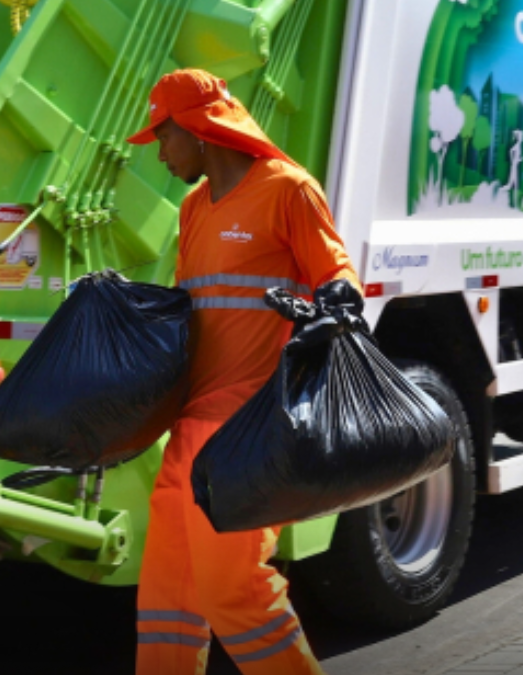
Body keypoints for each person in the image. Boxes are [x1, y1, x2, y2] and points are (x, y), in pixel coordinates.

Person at [125, 69, 361, 675]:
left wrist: (335, 305)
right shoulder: (193, 208)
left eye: (165, 137)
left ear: (201, 131)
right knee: (167, 598)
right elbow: (196, 305)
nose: (161, 155)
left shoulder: (288, 190)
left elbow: (337, 273)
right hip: (190, 431)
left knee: (236, 593)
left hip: (249, 432)